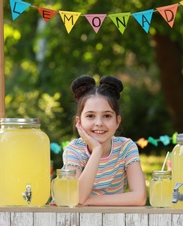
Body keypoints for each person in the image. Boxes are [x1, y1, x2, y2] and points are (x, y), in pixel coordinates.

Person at [63, 75, 147, 206]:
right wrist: (97, 150)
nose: (99, 123)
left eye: (107, 116)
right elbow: (78, 197)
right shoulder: (73, 150)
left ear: (117, 121)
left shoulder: (126, 147)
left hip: (112, 219)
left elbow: (140, 197)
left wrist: (91, 200)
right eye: (90, 116)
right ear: (79, 122)